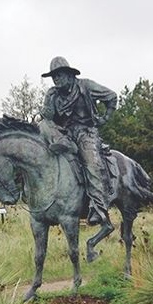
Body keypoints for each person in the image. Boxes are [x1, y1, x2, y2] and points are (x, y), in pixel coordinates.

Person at [40, 56, 117, 231]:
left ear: (68, 74)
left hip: (85, 133)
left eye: (59, 75)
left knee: (91, 163)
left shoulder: (86, 86)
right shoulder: (53, 94)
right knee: (41, 127)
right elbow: (48, 120)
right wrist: (47, 103)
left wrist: (105, 118)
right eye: (53, 76)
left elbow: (112, 96)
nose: (56, 79)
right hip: (63, 135)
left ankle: (98, 207)